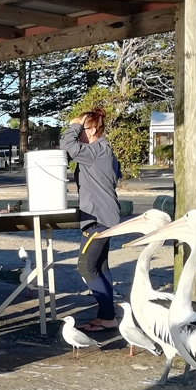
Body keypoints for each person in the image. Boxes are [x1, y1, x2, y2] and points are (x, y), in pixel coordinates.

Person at [60, 108, 121, 333]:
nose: (77, 133)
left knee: (85, 266)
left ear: (93, 129)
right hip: (105, 215)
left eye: (82, 129)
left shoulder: (96, 150)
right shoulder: (103, 151)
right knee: (100, 266)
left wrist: (75, 123)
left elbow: (67, 145)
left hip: (98, 218)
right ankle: (107, 316)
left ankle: (108, 316)